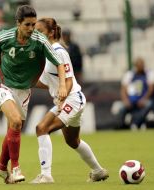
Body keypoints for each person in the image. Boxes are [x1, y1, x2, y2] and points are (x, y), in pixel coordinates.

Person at [0, 5, 67, 184]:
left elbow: (59, 63)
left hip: (23, 89)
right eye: (27, 25)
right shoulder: (5, 36)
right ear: (18, 24)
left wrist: (62, 84)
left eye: (33, 24)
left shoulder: (40, 41)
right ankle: (15, 169)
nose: (31, 29)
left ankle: (0, 166)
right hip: (1, 83)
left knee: (14, 128)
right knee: (15, 122)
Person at [30, 18, 109, 184]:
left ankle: (46, 175)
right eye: (35, 32)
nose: (36, 35)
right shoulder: (46, 53)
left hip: (72, 99)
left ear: (51, 33)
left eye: (40, 32)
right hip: (68, 101)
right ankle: (98, 171)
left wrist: (62, 98)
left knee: (42, 128)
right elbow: (46, 82)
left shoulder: (58, 51)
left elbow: (68, 80)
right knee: (72, 141)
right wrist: (20, 81)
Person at [119, 57, 154, 130]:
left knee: (148, 104)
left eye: (142, 65)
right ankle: (122, 126)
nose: (140, 66)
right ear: (135, 66)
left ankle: (135, 123)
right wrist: (126, 100)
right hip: (131, 100)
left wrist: (144, 99)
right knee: (122, 108)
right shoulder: (129, 75)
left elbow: (151, 89)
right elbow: (123, 89)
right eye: (139, 65)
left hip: (144, 99)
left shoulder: (149, 74)